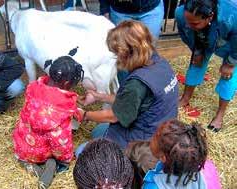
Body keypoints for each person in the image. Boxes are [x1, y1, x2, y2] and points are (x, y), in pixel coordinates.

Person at [78, 20, 179, 149]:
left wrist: (85, 115)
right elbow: (130, 102)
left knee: (81, 150)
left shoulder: (137, 83)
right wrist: (99, 96)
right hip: (162, 128)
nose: (117, 59)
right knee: (98, 131)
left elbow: (114, 117)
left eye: (118, 54)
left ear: (129, 53)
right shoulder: (160, 63)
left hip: (145, 139)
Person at [13, 56, 84, 189]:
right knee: (61, 161)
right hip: (41, 152)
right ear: (67, 83)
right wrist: (65, 158)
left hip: (21, 145)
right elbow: (60, 141)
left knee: (25, 151)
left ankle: (27, 163)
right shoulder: (63, 108)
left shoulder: (32, 87)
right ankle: (53, 166)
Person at [175, 0, 237, 132]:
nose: (188, 25)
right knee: (196, 63)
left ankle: (220, 114)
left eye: (194, 23)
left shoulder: (231, 15)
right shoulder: (181, 14)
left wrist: (231, 63)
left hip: (231, 43)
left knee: (228, 76)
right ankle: (185, 98)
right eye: (187, 20)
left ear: (210, 16)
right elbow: (188, 34)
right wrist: (197, 51)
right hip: (204, 37)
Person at [143, 119, 222, 189]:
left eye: (156, 135)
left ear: (163, 157)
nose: (153, 135)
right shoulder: (208, 168)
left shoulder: (153, 186)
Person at [99, 0, 164, 83]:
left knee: (148, 53)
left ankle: (146, 86)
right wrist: (104, 9)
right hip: (120, 10)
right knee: (122, 53)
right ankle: (125, 87)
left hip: (151, 8)